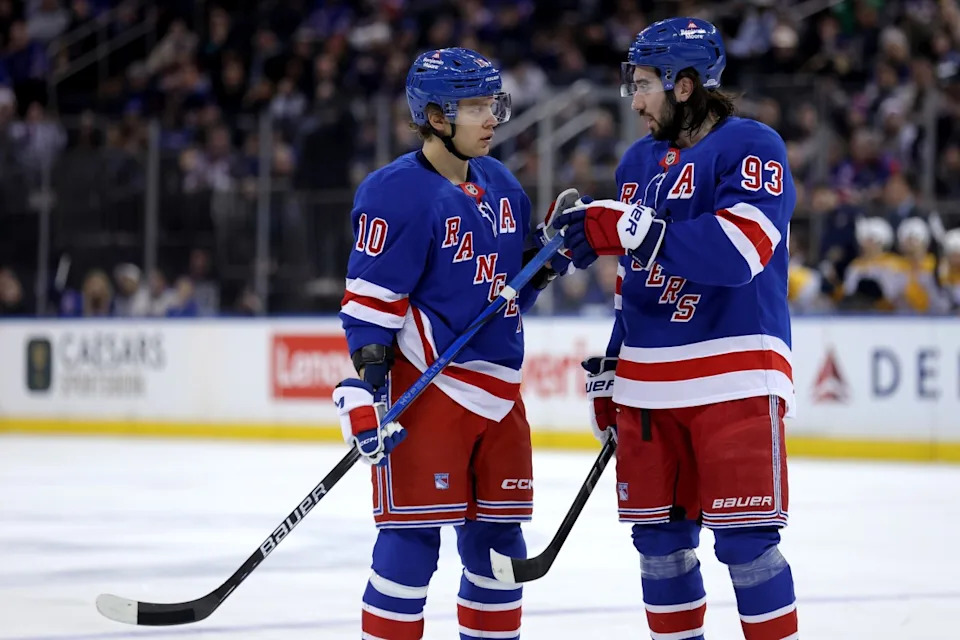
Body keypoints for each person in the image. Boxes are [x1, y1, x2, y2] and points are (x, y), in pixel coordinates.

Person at [552, 18, 800, 640]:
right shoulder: (639, 161)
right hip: (647, 387)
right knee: (659, 548)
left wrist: (628, 228)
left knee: (748, 547)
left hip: (734, 374)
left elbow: (740, 253)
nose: (633, 100)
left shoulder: (753, 145)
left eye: (642, 84)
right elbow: (633, 279)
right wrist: (613, 369)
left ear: (684, 85)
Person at [332, 48, 567, 640]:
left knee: (500, 548)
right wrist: (366, 388)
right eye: (475, 107)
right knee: (411, 543)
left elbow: (508, 292)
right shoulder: (395, 194)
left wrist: (544, 259)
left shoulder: (504, 186)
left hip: (500, 397)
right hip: (428, 391)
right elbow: (370, 308)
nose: (491, 118)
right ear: (437, 117)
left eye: (493, 104)